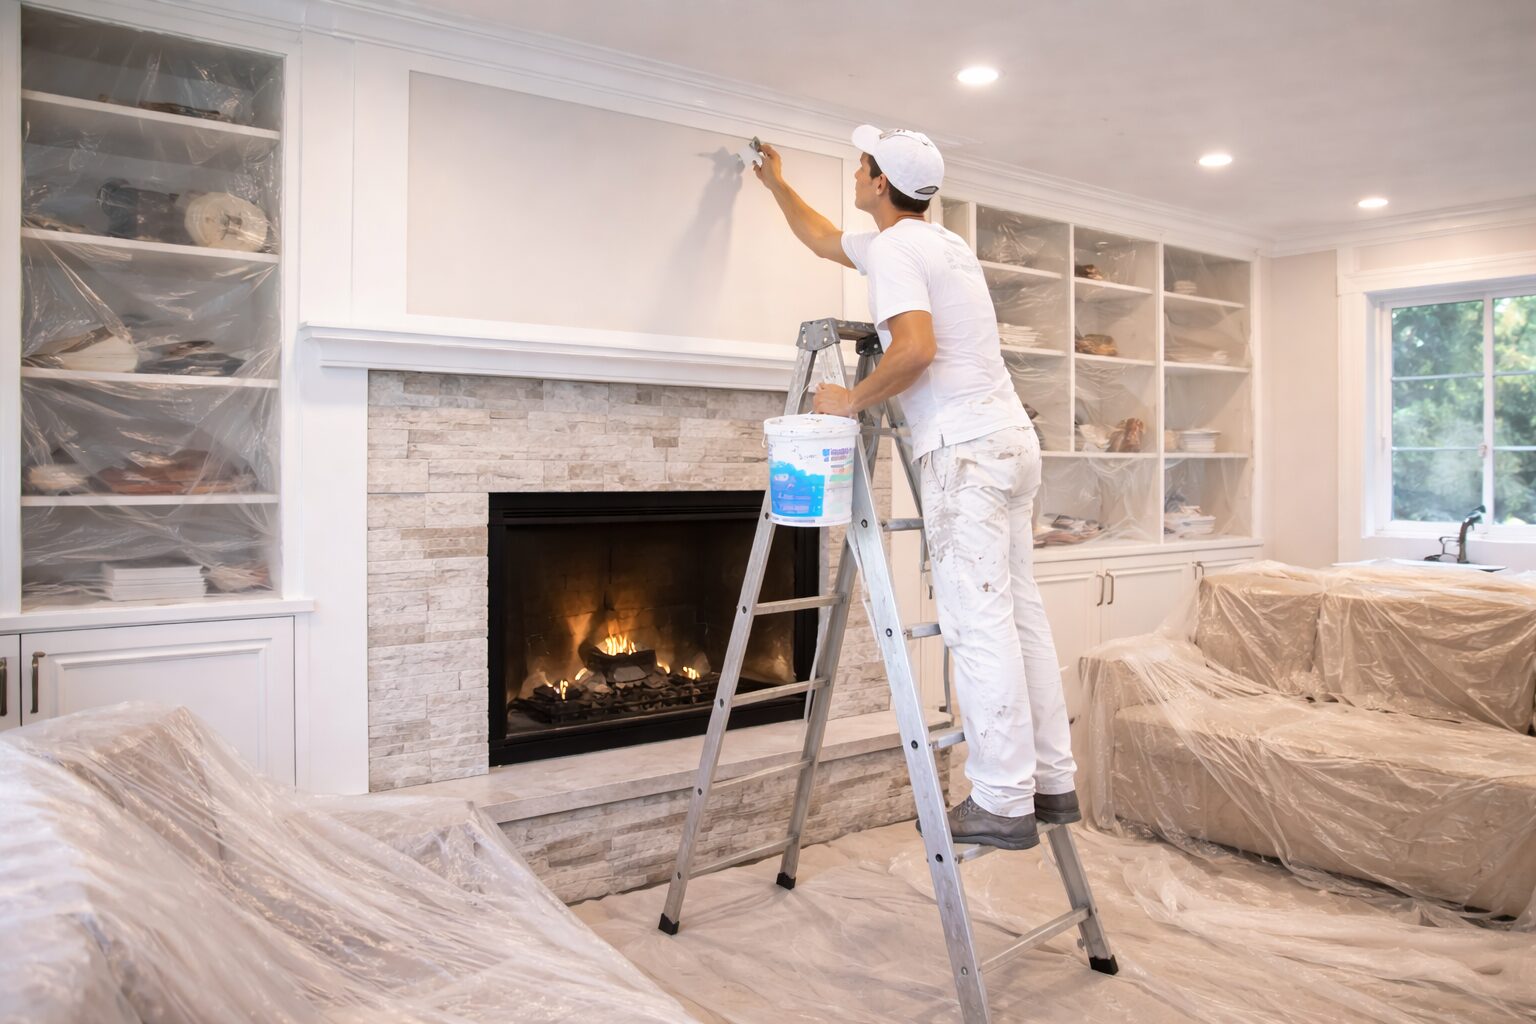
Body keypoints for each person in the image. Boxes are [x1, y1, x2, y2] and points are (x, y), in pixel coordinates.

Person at [754, 126, 1078, 850]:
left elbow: (916, 350)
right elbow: (823, 239)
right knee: (1019, 614)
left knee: (977, 623)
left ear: (878, 181)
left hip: (966, 452)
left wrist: (851, 400)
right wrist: (777, 184)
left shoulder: (898, 250)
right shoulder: (937, 242)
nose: (855, 172)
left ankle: (1002, 799)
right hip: (1009, 441)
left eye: (861, 165)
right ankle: (1051, 780)